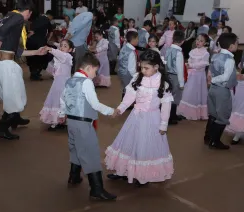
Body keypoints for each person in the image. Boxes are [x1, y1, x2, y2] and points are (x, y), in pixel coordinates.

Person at [105, 49, 174, 186]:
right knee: (128, 143)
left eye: (146, 68)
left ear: (156, 67)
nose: (143, 70)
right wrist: (121, 108)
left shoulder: (163, 83)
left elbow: (166, 106)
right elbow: (130, 96)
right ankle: (123, 170)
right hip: (135, 117)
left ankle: (143, 174)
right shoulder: (138, 77)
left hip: (152, 119)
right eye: (141, 67)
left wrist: (163, 124)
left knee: (145, 146)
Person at [59, 52, 117, 201]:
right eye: (95, 71)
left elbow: (63, 99)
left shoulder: (70, 81)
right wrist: (111, 111)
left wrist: (61, 113)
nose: (95, 74)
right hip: (83, 123)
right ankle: (96, 189)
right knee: (90, 153)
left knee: (76, 148)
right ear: (89, 68)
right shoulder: (86, 82)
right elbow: (94, 104)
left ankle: (74, 176)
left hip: (71, 122)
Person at [0, 0, 48, 140]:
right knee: (14, 98)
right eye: (30, 14)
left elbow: (14, 49)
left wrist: (35, 53)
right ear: (28, 11)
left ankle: (14, 119)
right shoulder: (18, 17)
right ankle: (1, 128)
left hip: (0, 63)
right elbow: (2, 34)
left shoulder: (7, 17)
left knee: (12, 97)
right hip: (5, 64)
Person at [204, 33, 238, 150]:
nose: (237, 45)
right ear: (231, 46)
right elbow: (225, 76)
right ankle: (215, 141)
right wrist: (214, 79)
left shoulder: (215, 56)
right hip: (222, 90)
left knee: (213, 114)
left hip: (212, 89)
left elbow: (210, 71)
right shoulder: (230, 59)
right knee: (223, 115)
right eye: (236, 43)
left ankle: (208, 137)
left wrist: (210, 80)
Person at [40, 39, 74, 131]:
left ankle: (60, 120)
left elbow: (60, 54)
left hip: (64, 84)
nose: (62, 47)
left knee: (61, 101)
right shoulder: (59, 58)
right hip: (57, 83)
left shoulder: (67, 57)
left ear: (70, 50)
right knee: (56, 100)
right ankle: (56, 120)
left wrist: (50, 49)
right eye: (61, 45)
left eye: (65, 46)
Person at [178, 34, 210, 120]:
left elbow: (202, 64)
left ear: (205, 43)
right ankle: (185, 111)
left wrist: (191, 65)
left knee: (197, 92)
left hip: (199, 76)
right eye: (197, 40)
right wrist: (188, 64)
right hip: (191, 75)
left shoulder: (205, 53)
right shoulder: (192, 51)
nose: (198, 42)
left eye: (201, 41)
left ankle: (197, 112)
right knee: (188, 91)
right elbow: (189, 60)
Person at [26, 10, 54, 81]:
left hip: (31, 42)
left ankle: (33, 74)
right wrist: (47, 40)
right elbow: (51, 33)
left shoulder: (36, 18)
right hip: (40, 43)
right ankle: (36, 74)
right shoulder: (47, 20)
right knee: (41, 59)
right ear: (50, 16)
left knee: (32, 58)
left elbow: (31, 32)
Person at [165, 30, 185, 125]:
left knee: (168, 95)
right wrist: (181, 83)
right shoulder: (179, 53)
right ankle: (171, 117)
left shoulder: (168, 49)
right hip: (176, 77)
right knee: (175, 97)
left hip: (168, 75)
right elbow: (180, 69)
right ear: (182, 41)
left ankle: (170, 115)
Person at [118, 31, 139, 100]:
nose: (138, 40)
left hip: (122, 71)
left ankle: (123, 100)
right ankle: (127, 103)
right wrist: (135, 76)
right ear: (133, 39)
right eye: (137, 38)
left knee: (125, 87)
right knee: (129, 88)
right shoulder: (131, 52)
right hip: (128, 73)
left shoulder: (124, 47)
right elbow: (131, 68)